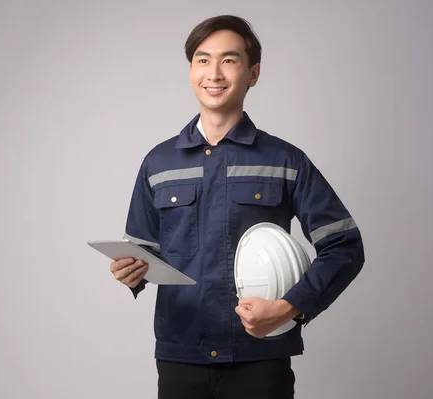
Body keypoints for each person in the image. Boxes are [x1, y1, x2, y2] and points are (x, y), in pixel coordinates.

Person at [109, 14, 365, 399]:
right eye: (202, 59)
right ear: (191, 70)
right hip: (181, 359)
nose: (214, 72)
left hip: (259, 359)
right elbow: (144, 253)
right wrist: (133, 271)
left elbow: (344, 246)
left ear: (253, 73)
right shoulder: (158, 163)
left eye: (229, 60)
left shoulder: (284, 160)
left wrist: (289, 308)